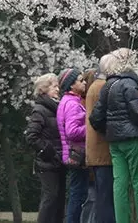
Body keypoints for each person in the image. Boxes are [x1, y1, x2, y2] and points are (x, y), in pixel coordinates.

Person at [100, 50, 138, 223]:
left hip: (114, 140)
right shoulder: (129, 84)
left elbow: (96, 116)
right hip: (133, 139)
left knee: (120, 185)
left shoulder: (107, 86)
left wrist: (109, 129)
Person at [28, 73, 67, 223]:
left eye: (58, 86)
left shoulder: (56, 107)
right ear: (44, 89)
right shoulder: (40, 110)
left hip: (59, 161)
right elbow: (32, 136)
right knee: (50, 198)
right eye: (54, 86)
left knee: (59, 200)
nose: (58, 89)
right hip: (48, 162)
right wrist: (49, 152)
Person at [59, 69, 93, 223]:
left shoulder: (67, 101)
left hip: (73, 155)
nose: (84, 82)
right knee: (78, 195)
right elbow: (72, 132)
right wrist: (91, 128)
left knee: (76, 193)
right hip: (78, 155)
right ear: (71, 85)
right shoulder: (72, 104)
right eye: (80, 80)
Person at [87, 55, 117, 223]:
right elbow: (99, 119)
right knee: (105, 198)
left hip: (98, 152)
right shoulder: (101, 88)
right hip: (103, 152)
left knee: (103, 197)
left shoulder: (96, 86)